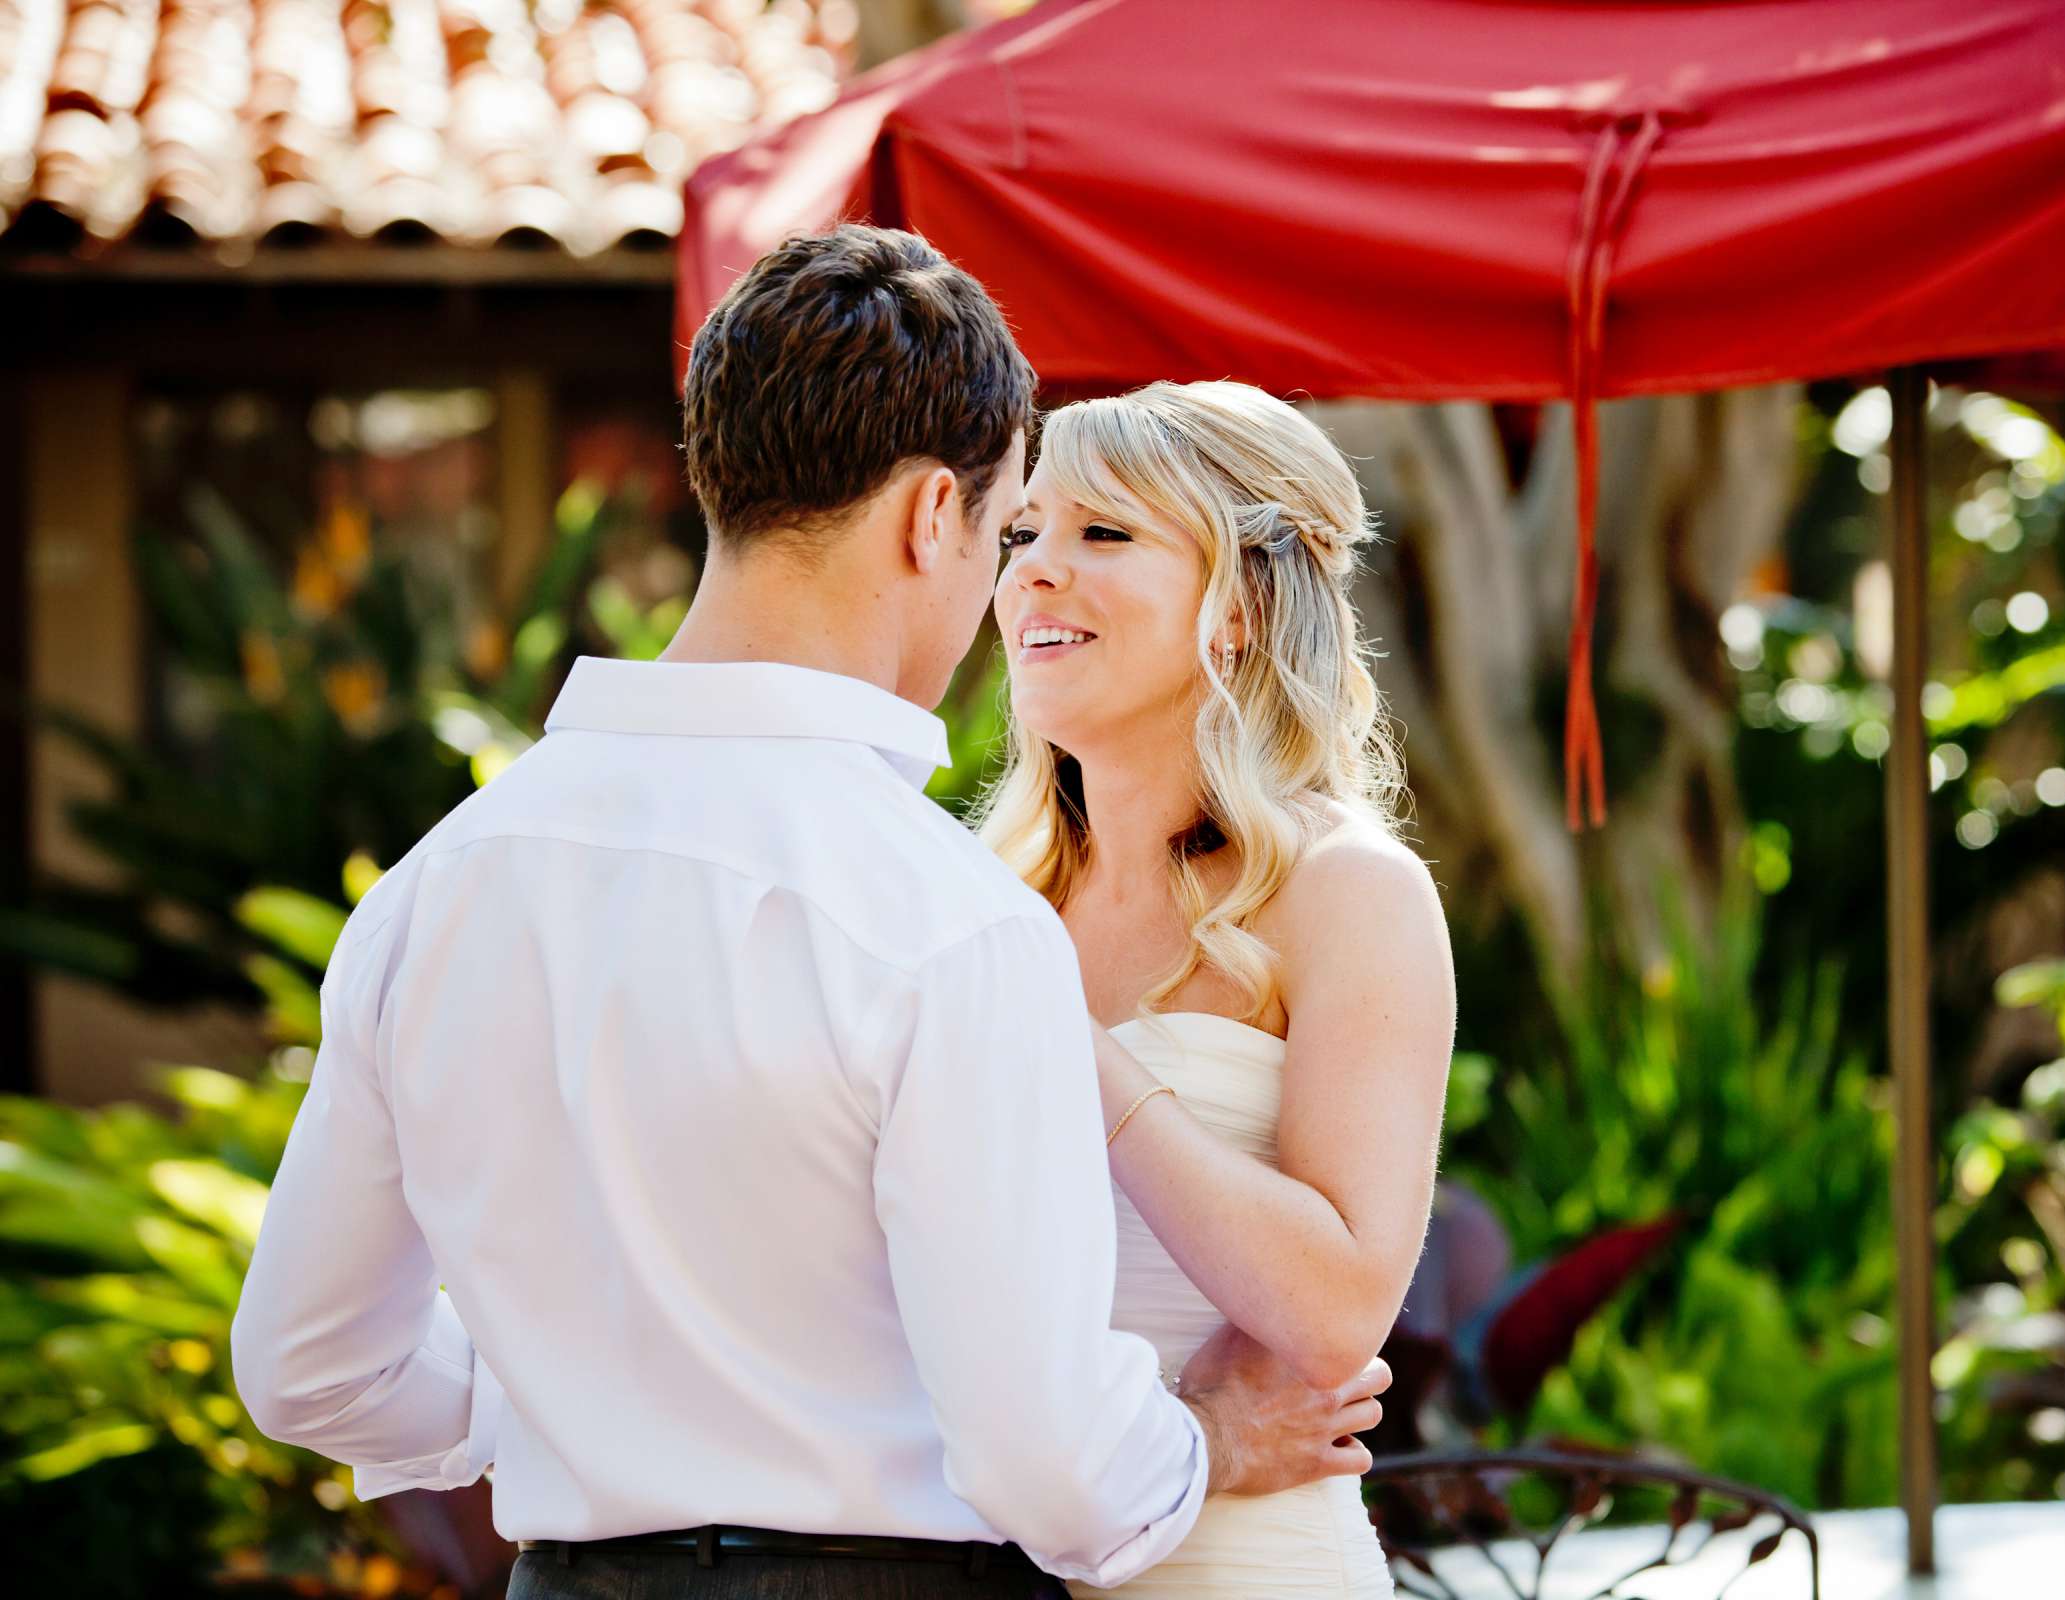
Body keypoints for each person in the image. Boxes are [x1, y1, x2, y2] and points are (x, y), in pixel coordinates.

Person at [230, 226, 1390, 1600]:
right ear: (930, 519)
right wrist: (1201, 1443)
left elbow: (305, 1366)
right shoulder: (949, 920)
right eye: (1010, 525)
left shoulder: (441, 886)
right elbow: (1045, 1462)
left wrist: (560, 1395)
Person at [980, 381, 1457, 1598]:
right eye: (1024, 531)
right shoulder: (983, 898)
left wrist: (1065, 1040)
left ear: (1239, 606)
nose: (1034, 569)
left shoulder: (1348, 890)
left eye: (1104, 532)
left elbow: (1339, 1306)